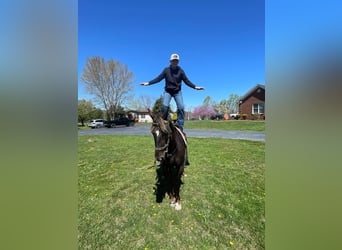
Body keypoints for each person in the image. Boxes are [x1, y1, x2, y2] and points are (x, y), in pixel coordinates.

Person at [140, 53, 204, 130]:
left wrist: (195, 87)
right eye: (173, 61)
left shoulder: (181, 71)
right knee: (164, 106)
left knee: (181, 107)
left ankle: (180, 124)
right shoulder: (166, 70)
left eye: (176, 61)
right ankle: (165, 121)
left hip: (177, 92)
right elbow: (158, 78)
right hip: (168, 92)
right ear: (170, 61)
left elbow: (187, 81)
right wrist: (148, 83)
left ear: (178, 62)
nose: (175, 62)